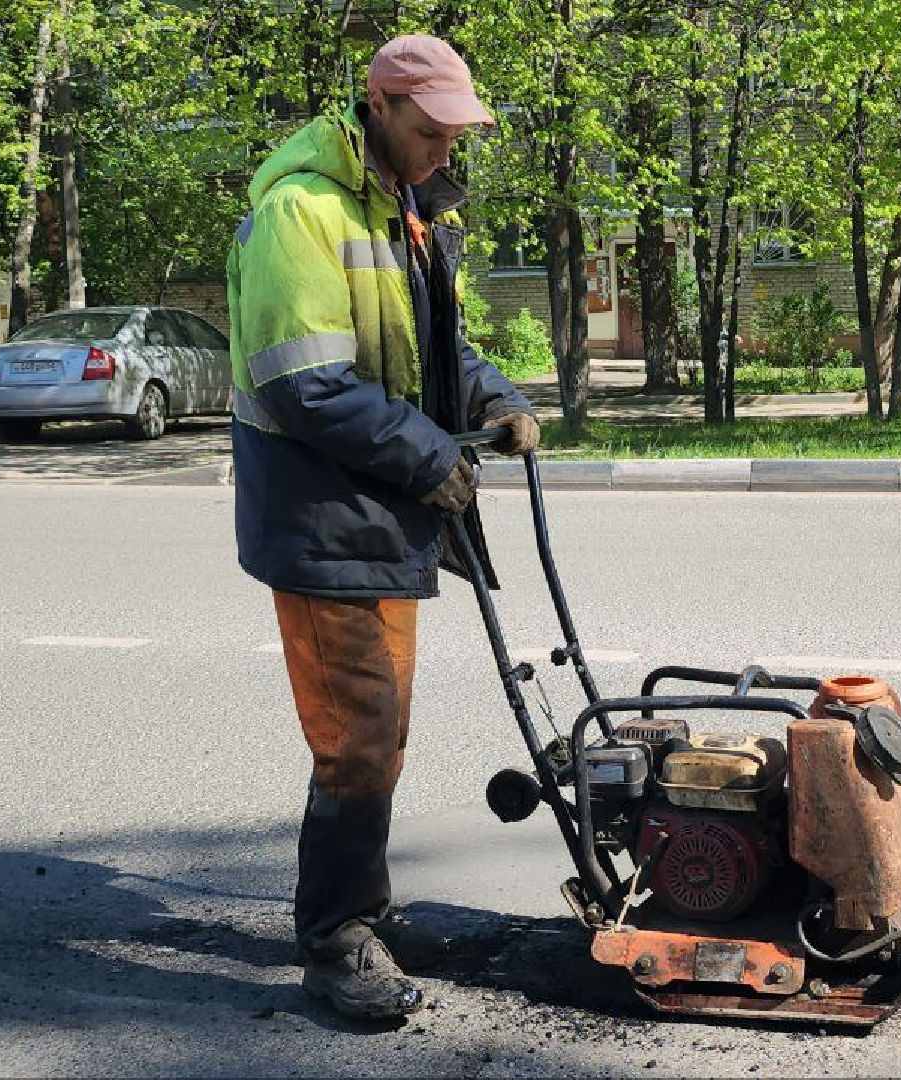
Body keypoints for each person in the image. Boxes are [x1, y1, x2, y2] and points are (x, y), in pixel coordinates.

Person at [225, 33, 540, 1020]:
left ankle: (360, 907)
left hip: (376, 514)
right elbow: (304, 382)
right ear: (381, 107)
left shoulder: (405, 209)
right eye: (431, 129)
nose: (447, 148)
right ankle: (335, 942)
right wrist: (428, 456)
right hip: (321, 518)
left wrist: (496, 399)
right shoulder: (302, 211)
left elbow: (434, 350)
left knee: (379, 732)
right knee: (356, 739)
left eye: (456, 132)